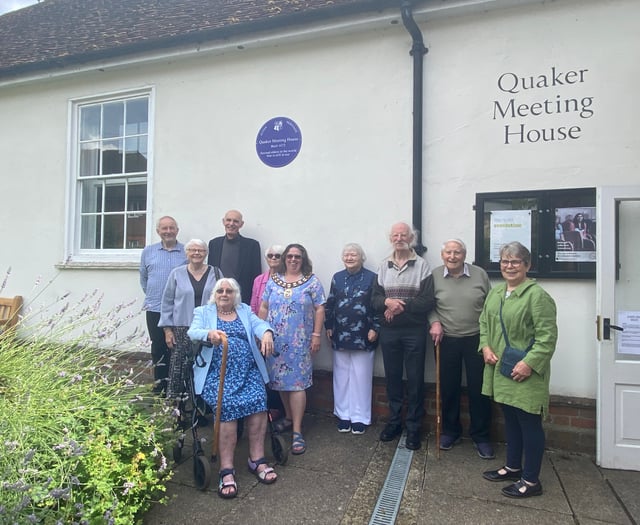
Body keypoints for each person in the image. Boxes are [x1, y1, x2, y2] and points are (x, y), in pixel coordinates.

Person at [479, 241, 557, 498]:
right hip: (501, 368)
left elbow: (547, 338)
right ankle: (513, 466)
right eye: (505, 261)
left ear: (527, 265)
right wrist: (485, 347)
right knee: (510, 419)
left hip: (524, 373)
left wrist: (529, 364)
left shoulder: (537, 296)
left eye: (515, 262)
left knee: (529, 423)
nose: (509, 266)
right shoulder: (497, 293)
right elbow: (484, 323)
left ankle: (531, 481)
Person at [188, 278, 277, 499]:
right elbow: (193, 332)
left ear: (235, 294)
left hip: (247, 372)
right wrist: (210, 334)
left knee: (258, 401)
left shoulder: (244, 310)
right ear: (214, 294)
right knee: (227, 406)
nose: (225, 294)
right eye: (220, 291)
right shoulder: (203, 312)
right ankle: (226, 469)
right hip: (216, 375)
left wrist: (266, 332)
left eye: (229, 291)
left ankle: (256, 459)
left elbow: (259, 324)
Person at [371, 222, 435, 451]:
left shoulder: (422, 265)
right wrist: (387, 302)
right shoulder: (383, 265)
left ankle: (414, 427)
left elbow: (428, 300)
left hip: (414, 331)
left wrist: (400, 306)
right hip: (389, 331)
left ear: (411, 238)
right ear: (391, 238)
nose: (399, 238)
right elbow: (375, 299)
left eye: (404, 235)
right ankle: (395, 422)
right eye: (395, 235)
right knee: (393, 379)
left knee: (416, 379)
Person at [428, 239, 493, 458]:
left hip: (476, 339)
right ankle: (450, 431)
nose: (452, 256)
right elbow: (429, 305)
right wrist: (434, 322)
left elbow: (490, 307)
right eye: (448, 252)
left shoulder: (479, 275)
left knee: (479, 389)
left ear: (464, 255)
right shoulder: (435, 275)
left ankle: (481, 436)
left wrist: (488, 340)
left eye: (457, 252)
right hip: (446, 339)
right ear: (442, 254)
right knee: (448, 387)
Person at [259, 243, 326, 455]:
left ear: (303, 259)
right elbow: (264, 307)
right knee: (280, 382)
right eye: (289, 256)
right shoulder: (274, 280)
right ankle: (288, 418)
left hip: (300, 342)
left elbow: (320, 308)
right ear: (284, 258)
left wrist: (316, 335)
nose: (293, 260)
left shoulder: (312, 282)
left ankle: (297, 430)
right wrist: (260, 333)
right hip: (275, 342)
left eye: (297, 256)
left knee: (297, 384)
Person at [324, 243, 380, 435]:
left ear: (361, 257)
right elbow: (330, 302)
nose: (349, 258)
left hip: (364, 335)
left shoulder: (372, 278)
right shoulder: (337, 277)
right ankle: (343, 415)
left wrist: (375, 327)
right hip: (340, 333)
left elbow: (377, 305)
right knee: (341, 376)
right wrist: (328, 325)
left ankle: (360, 417)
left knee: (361, 377)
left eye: (353, 255)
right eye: (346, 254)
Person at [158, 239, 221, 399]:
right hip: (182, 329)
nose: (196, 253)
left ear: (206, 253)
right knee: (179, 368)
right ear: (186, 253)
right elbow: (167, 302)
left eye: (200, 250)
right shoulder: (176, 273)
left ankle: (201, 408)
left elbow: (223, 299)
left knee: (205, 367)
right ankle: (176, 410)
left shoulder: (216, 273)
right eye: (192, 250)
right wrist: (167, 329)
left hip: (207, 329)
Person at [140, 216, 187, 395]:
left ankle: (178, 385)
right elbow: (143, 278)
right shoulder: (148, 252)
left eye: (171, 228)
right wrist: (155, 296)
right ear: (158, 231)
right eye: (164, 228)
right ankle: (160, 384)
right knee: (158, 347)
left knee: (178, 348)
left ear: (177, 230)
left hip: (179, 309)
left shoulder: (185, 252)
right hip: (154, 308)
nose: (168, 231)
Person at [207, 210, 262, 305]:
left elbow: (256, 275)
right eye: (228, 220)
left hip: (242, 298)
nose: (231, 224)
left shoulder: (252, 246)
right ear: (223, 221)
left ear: (241, 224)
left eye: (236, 221)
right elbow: (211, 272)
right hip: (219, 297)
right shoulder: (214, 244)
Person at [250, 244, 284, 315]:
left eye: (277, 256)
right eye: (270, 256)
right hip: (262, 322)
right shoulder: (258, 280)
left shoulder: (287, 279)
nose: (273, 258)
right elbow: (253, 306)